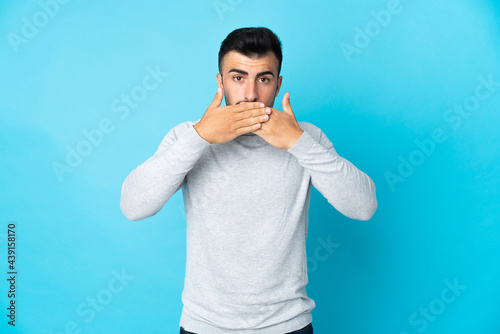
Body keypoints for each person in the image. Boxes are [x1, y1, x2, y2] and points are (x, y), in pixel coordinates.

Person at [120, 27, 377, 334]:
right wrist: (200, 137)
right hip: (205, 326)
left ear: (278, 84)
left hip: (288, 325)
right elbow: (133, 206)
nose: (251, 94)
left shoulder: (305, 137)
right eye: (238, 78)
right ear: (220, 82)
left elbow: (364, 206)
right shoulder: (188, 136)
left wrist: (297, 142)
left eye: (264, 79)